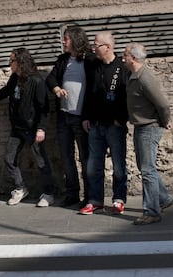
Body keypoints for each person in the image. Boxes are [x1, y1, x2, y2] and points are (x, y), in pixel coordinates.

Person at [0, 47, 55, 207]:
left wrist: (41, 128)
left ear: (20, 62)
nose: (9, 64)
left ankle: (48, 194)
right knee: (9, 159)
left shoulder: (36, 81)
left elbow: (44, 108)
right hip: (17, 128)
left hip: (32, 129)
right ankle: (20, 188)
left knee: (41, 162)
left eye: (11, 61)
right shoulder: (15, 78)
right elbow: (5, 92)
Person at [79, 31, 129, 215]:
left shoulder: (122, 68)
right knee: (93, 166)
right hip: (95, 124)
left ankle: (118, 199)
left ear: (107, 47)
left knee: (118, 165)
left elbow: (127, 97)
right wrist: (85, 116)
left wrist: (121, 119)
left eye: (96, 45)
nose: (93, 48)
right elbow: (89, 94)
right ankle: (95, 200)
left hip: (114, 126)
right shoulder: (94, 66)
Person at [123, 42, 173, 225]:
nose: (123, 58)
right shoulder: (134, 75)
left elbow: (162, 104)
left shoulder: (145, 78)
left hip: (149, 127)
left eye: (126, 55)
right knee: (146, 166)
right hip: (140, 127)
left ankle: (152, 212)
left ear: (134, 58)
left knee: (147, 170)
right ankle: (164, 198)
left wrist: (165, 120)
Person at [46, 26, 93, 207]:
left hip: (82, 118)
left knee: (85, 158)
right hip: (64, 117)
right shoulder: (63, 60)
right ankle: (72, 193)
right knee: (66, 158)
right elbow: (50, 79)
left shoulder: (89, 60)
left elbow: (95, 89)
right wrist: (57, 88)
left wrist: (89, 115)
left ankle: (89, 196)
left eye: (66, 38)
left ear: (75, 39)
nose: (63, 41)